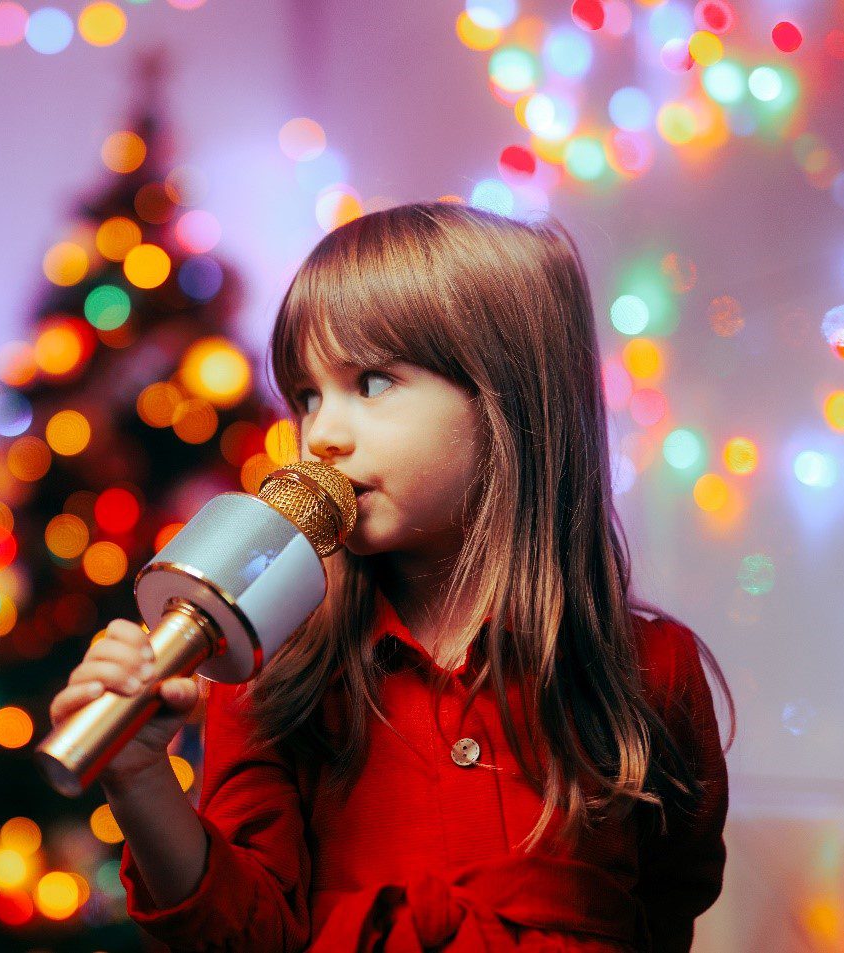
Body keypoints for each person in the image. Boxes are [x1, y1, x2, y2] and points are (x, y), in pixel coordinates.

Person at [48, 201, 734, 951]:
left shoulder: (652, 670)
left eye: (371, 383)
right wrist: (143, 779)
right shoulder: (273, 667)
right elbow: (246, 934)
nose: (324, 434)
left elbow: (668, 903)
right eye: (306, 396)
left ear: (508, 398)